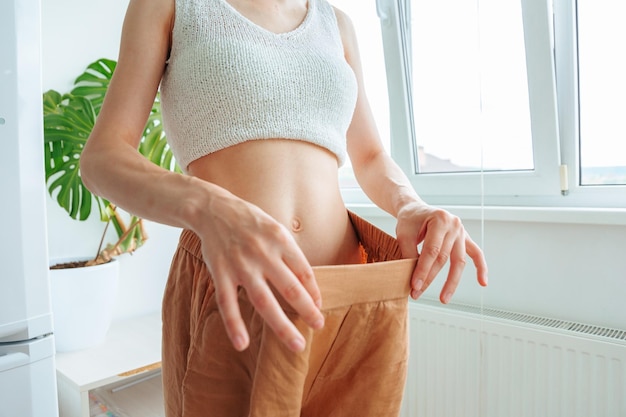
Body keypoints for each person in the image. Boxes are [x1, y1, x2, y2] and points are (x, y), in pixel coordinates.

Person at [81, 0, 488, 415]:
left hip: (354, 297)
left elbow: (368, 156)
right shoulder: (171, 6)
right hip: (238, 289)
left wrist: (410, 204)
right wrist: (209, 204)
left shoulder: (336, 24)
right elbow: (101, 159)